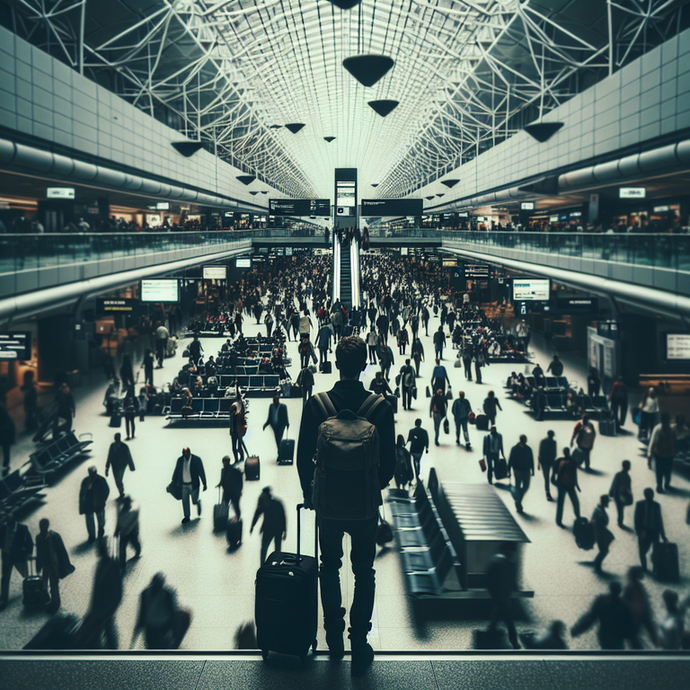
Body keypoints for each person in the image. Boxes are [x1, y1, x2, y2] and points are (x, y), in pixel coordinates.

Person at [295, 335, 395, 674]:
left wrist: (313, 495)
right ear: (365, 364)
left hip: (329, 508)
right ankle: (359, 642)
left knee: (329, 567)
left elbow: (301, 459)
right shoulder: (379, 407)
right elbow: (391, 465)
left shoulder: (317, 405)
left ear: (336, 363)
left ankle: (334, 640)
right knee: (364, 571)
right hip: (365, 508)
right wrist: (368, 487)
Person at [79, 537, 123, 649]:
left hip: (107, 607)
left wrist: (112, 608)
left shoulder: (113, 565)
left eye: (100, 548)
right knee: (102, 629)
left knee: (108, 628)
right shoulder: (99, 565)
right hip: (98, 606)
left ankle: (113, 651)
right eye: (98, 548)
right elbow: (96, 587)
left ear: (105, 549)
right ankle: (105, 649)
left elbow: (118, 590)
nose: (98, 551)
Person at [132, 573, 190, 649]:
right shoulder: (166, 594)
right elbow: (174, 613)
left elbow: (141, 616)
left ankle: (168, 644)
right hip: (160, 628)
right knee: (185, 616)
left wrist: (134, 637)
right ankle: (173, 644)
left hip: (153, 629)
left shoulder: (145, 593)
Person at [571, 581, 633, 649]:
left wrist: (577, 629)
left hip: (604, 636)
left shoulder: (601, 601)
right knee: (617, 652)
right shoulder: (623, 606)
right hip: (617, 637)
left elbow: (590, 618)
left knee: (606, 651)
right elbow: (629, 624)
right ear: (619, 591)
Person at [35, 518, 74, 613]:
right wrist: (39, 565)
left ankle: (55, 602)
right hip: (46, 564)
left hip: (53, 563)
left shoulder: (54, 536)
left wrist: (65, 564)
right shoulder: (39, 538)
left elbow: (61, 551)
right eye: (41, 526)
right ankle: (51, 600)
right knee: (45, 583)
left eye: (43, 526)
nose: (42, 528)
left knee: (54, 583)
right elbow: (39, 552)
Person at [485, 543, 520, 649]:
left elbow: (488, 577)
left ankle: (492, 629)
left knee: (498, 611)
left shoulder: (495, 560)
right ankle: (514, 643)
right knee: (509, 619)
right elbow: (512, 580)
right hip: (503, 595)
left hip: (497, 594)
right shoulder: (508, 563)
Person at [0, 514, 33, 611]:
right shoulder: (4, 528)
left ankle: (29, 593)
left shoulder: (22, 528)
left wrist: (28, 553)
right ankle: (4, 599)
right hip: (6, 556)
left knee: (26, 575)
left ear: (14, 521)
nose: (8, 524)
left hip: (18, 557)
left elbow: (29, 542)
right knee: (5, 578)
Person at [249, 486, 286, 565]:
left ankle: (262, 564)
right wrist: (285, 530)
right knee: (277, 548)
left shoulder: (264, 502)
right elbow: (283, 517)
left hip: (268, 529)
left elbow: (257, 514)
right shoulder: (276, 502)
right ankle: (277, 563)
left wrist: (252, 526)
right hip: (277, 529)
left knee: (264, 548)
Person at [622, 566, 658, 649]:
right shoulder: (631, 588)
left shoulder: (635, 586)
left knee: (635, 641)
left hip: (637, 617)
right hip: (635, 618)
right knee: (635, 642)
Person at [171, 447, 207, 525]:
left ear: (190, 453)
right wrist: (173, 481)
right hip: (184, 485)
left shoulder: (196, 460)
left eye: (187, 454)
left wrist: (204, 483)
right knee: (185, 501)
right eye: (184, 454)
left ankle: (197, 503)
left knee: (194, 500)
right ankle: (187, 516)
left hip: (193, 485)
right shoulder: (180, 460)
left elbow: (201, 471)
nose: (186, 456)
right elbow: (176, 471)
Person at [634, 488, 667, 571]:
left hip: (654, 532)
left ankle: (655, 567)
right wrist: (639, 532)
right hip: (643, 531)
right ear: (645, 495)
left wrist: (663, 535)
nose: (649, 496)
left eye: (650, 494)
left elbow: (659, 520)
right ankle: (644, 567)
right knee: (642, 551)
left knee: (656, 551)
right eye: (647, 494)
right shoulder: (639, 504)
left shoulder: (656, 505)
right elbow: (636, 519)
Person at [79, 465, 110, 542]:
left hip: (98, 503)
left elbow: (106, 490)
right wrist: (82, 505)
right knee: (89, 521)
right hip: (88, 503)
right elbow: (82, 493)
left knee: (101, 519)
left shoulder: (101, 480)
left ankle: (100, 530)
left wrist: (102, 500)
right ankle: (92, 535)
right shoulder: (85, 481)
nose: (91, 475)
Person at [647, 412, 676, 492]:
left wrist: (673, 452)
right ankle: (659, 486)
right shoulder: (658, 429)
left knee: (668, 471)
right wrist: (649, 452)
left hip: (668, 454)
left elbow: (674, 442)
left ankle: (666, 484)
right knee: (659, 472)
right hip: (659, 454)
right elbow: (652, 441)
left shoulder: (672, 430)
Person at [553, 447, 581, 527]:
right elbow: (574, 474)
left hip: (562, 484)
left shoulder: (560, 461)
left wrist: (554, 480)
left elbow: (554, 472)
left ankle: (559, 521)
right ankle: (578, 517)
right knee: (574, 502)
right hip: (569, 485)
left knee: (561, 503)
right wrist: (576, 483)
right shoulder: (572, 461)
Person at [507, 434, 534, 514]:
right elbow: (511, 459)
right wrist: (508, 470)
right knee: (522, 486)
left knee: (523, 487)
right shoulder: (517, 449)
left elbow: (531, 460)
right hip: (519, 470)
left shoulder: (525, 449)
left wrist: (508, 470)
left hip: (522, 470)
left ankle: (518, 500)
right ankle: (518, 502)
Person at [105, 432, 136, 499]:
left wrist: (131, 466)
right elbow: (109, 456)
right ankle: (120, 489)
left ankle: (121, 489)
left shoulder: (124, 446)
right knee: (117, 479)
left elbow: (128, 456)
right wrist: (107, 467)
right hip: (115, 465)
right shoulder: (112, 446)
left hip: (122, 465)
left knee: (119, 479)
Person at [115, 495, 141, 567]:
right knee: (134, 542)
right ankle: (138, 550)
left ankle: (122, 563)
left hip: (124, 532)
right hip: (132, 531)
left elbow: (119, 522)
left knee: (122, 547)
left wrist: (116, 531)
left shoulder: (123, 512)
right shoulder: (134, 510)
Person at [262, 395, 289, 461]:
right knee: (277, 440)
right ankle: (280, 454)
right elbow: (269, 416)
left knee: (279, 439)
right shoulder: (271, 407)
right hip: (274, 426)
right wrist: (266, 424)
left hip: (281, 425)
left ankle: (280, 455)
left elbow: (285, 416)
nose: (274, 402)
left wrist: (287, 423)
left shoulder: (283, 407)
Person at [591, 495, 613, 574]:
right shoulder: (599, 511)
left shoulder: (599, 509)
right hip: (600, 533)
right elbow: (596, 522)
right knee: (604, 550)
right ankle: (597, 565)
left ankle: (596, 563)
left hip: (601, 531)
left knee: (604, 549)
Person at [217, 455, 243, 519]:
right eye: (224, 461)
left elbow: (239, 480)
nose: (224, 463)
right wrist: (220, 484)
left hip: (233, 491)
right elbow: (222, 479)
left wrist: (239, 490)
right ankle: (225, 517)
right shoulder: (224, 470)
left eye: (225, 461)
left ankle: (237, 517)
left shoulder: (234, 470)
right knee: (225, 505)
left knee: (235, 505)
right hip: (227, 491)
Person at [609, 460, 633, 527]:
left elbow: (613, 484)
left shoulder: (618, 474)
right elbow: (629, 488)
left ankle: (620, 521)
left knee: (620, 509)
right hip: (624, 495)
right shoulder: (628, 477)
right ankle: (620, 521)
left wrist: (610, 493)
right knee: (621, 508)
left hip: (617, 494)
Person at [537, 430, 557, 501]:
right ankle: (549, 491)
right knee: (551, 476)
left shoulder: (543, 441)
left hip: (544, 462)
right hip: (550, 461)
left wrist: (538, 463)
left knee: (546, 478)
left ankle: (547, 492)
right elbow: (555, 453)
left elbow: (540, 453)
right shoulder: (554, 442)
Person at [0, 403, 15, 478]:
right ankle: (5, 465)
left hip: (4, 429)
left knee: (5, 446)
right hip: (4, 428)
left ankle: (6, 465)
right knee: (5, 447)